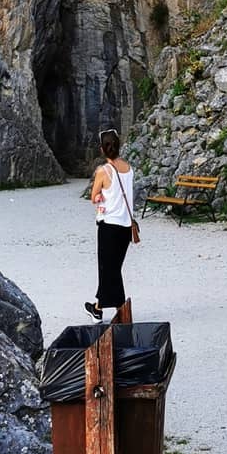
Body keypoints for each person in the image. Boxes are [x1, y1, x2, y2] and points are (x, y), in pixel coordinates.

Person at [85, 128, 135, 321]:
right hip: (125, 226)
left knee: (108, 268)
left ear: (102, 149)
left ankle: (111, 309)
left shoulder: (103, 171)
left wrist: (100, 197)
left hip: (109, 225)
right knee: (114, 268)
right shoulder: (129, 168)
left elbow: (94, 197)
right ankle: (100, 306)